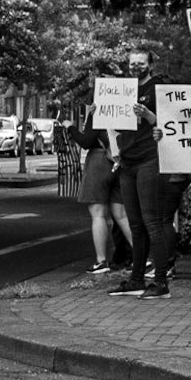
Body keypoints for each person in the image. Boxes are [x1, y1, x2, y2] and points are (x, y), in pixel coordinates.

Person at [107, 48, 175, 300]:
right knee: (135, 224)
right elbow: (114, 127)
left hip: (150, 159)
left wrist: (147, 115)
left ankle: (161, 282)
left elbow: (170, 123)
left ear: (150, 64)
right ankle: (136, 279)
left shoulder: (158, 88)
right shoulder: (124, 90)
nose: (136, 67)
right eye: (132, 63)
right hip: (128, 161)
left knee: (152, 222)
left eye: (141, 63)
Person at [64, 102, 132, 274]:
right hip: (120, 161)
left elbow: (86, 141)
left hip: (99, 161)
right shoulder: (125, 110)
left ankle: (101, 261)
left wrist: (70, 127)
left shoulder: (99, 111)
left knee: (98, 213)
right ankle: (143, 258)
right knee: (122, 214)